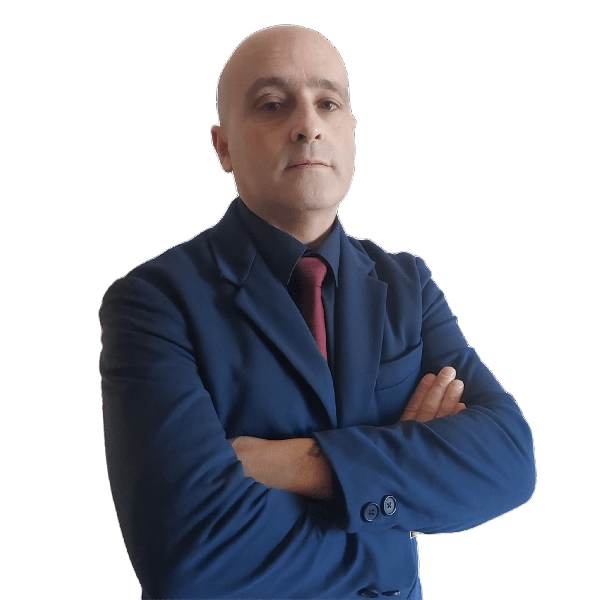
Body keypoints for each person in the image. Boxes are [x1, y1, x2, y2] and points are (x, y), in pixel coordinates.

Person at [99, 24, 536, 600]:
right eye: (272, 105)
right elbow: (189, 554)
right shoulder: (152, 302)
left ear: (351, 130)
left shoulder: (407, 284)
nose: (308, 125)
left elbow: (508, 462)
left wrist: (302, 464)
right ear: (223, 147)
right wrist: (389, 526)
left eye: (328, 103)